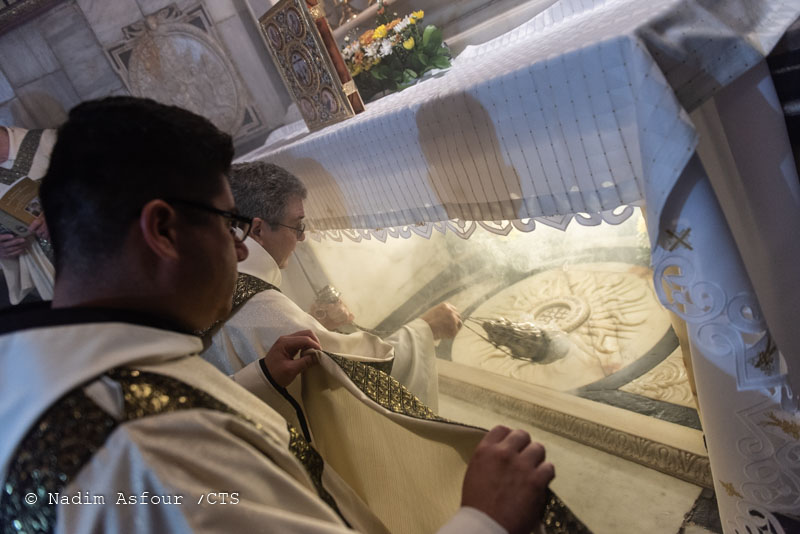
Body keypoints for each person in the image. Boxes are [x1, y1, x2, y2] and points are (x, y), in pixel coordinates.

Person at [0, 96, 561, 534]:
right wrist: (485, 517)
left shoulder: (31, 363)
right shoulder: (161, 444)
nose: (239, 247)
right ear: (164, 230)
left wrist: (260, 382)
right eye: (227, 223)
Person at [203, 160, 461, 408]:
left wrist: (316, 325)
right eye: (297, 225)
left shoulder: (209, 282)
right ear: (258, 230)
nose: (302, 238)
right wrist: (425, 329)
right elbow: (361, 371)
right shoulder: (264, 305)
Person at [0, 125, 56, 304]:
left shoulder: (48, 140)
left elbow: (99, 184)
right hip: (45, 279)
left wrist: (60, 212)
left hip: (93, 249)